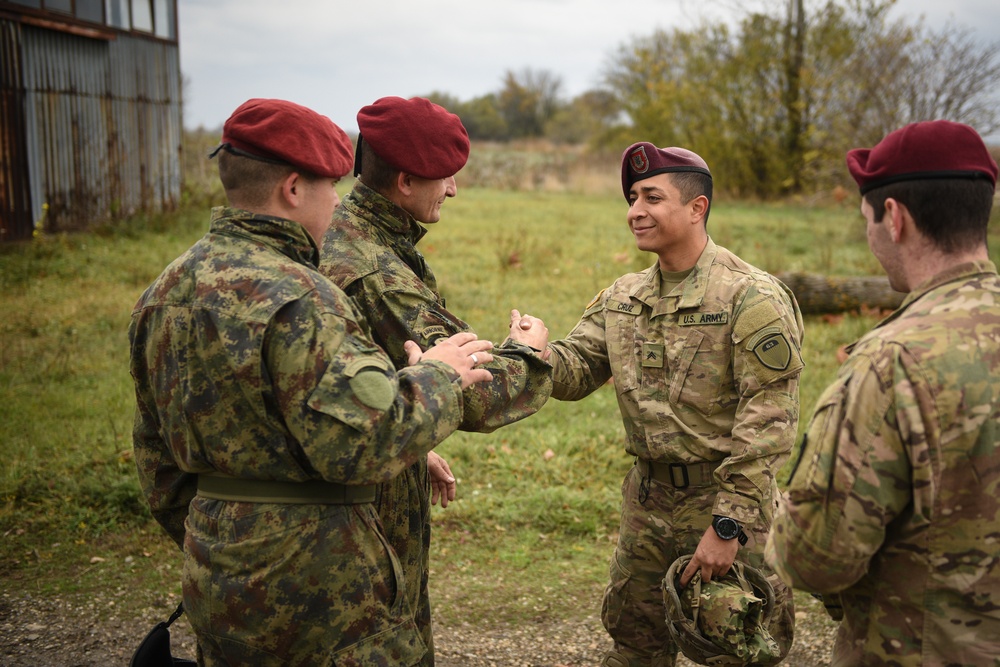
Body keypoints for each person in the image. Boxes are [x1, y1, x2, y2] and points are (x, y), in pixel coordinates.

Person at [128, 98, 498, 666]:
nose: (338, 204)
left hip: (215, 576)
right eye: (330, 188)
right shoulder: (303, 296)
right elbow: (370, 439)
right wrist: (439, 375)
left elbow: (159, 461)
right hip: (320, 592)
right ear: (294, 189)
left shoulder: (162, 293)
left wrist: (227, 536)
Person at [512, 142, 803, 666]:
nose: (635, 210)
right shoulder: (623, 296)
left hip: (723, 503)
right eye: (631, 197)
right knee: (636, 646)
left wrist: (728, 525)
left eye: (652, 196)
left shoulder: (749, 297)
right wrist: (537, 352)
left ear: (697, 208)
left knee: (737, 650)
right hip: (647, 504)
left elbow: (770, 422)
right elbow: (577, 369)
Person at [318, 95, 552, 665]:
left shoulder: (350, 234)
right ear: (404, 181)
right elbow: (475, 389)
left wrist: (409, 442)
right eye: (446, 177)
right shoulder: (376, 268)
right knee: (386, 638)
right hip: (364, 511)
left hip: (365, 467)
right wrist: (528, 351)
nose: (453, 189)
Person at [765, 120, 1000, 665]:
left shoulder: (890, 364)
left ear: (893, 218)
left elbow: (817, 559)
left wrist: (780, 516)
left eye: (865, 218)